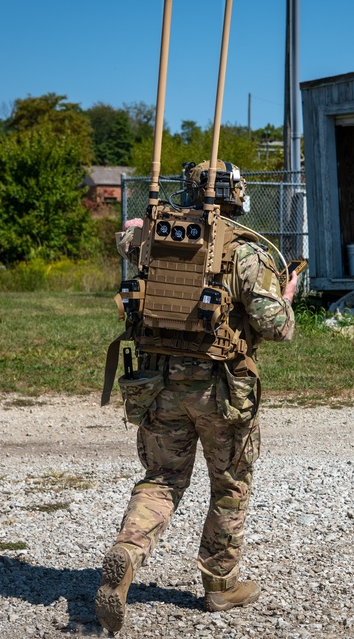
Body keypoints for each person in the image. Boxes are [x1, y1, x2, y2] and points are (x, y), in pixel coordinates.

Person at [95, 161, 299, 634]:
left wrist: (135, 227)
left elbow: (124, 237)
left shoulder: (152, 238)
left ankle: (127, 552)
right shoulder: (247, 253)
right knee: (229, 485)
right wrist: (286, 295)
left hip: (157, 386)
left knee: (163, 479)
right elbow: (277, 327)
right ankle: (220, 585)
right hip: (221, 391)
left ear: (187, 195)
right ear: (237, 196)